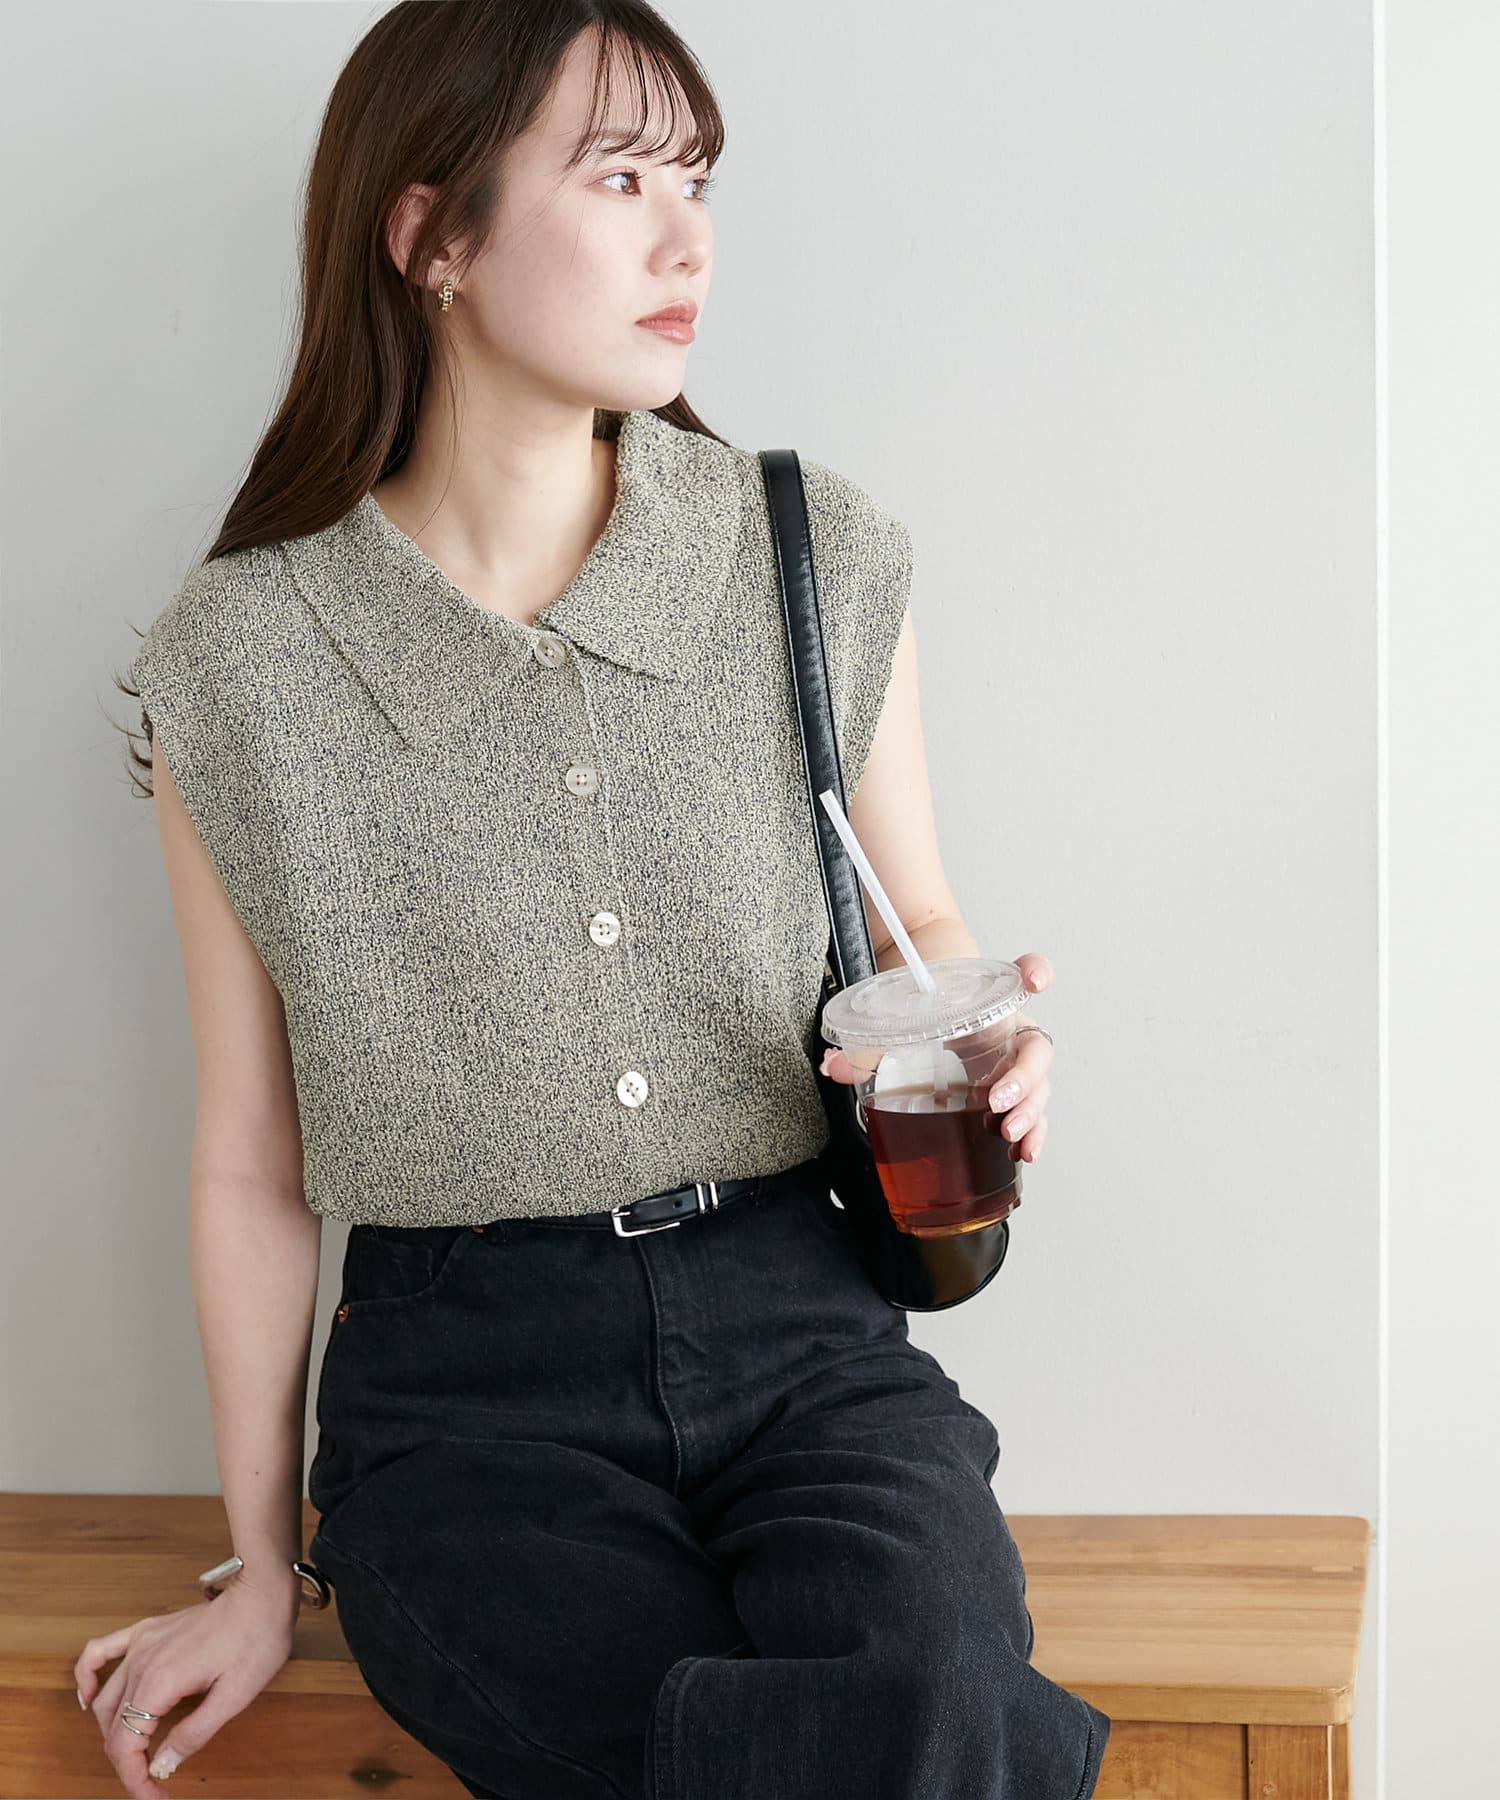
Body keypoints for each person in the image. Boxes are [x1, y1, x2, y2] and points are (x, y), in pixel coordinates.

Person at [81, 3, 1109, 1796]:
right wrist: (260, 1566)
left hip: (809, 1345)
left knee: (933, 1673)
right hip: (461, 1407)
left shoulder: (807, 552)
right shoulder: (237, 667)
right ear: (432, 236)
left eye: (696, 183)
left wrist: (983, 1040)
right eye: (621, 179)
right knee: (927, 1739)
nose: (687, 241)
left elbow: (920, 929)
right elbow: (250, 1161)